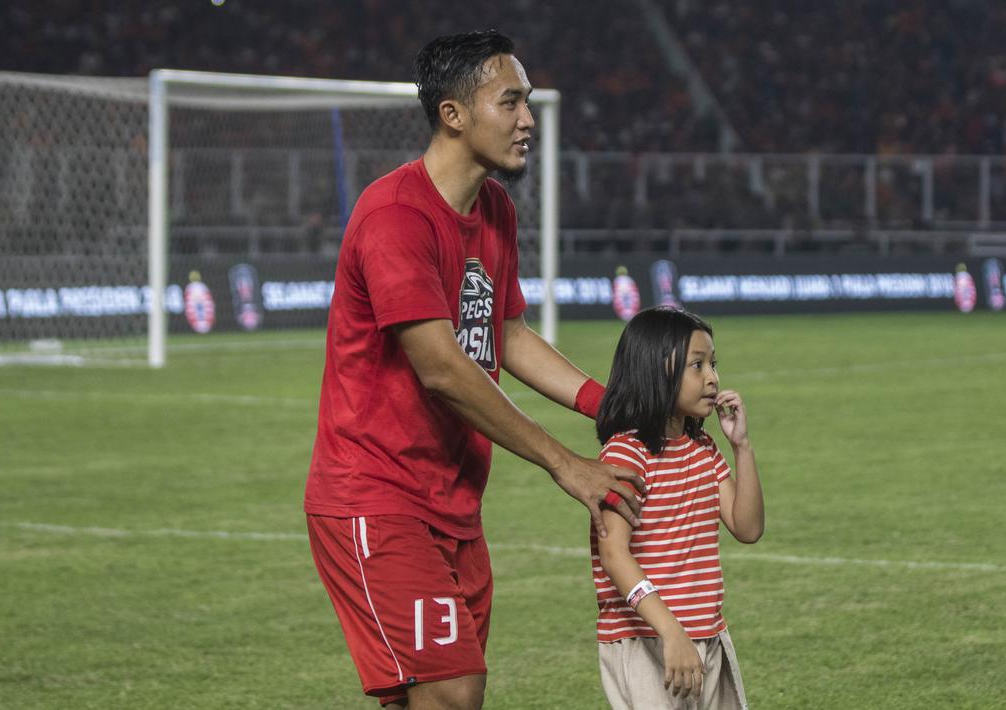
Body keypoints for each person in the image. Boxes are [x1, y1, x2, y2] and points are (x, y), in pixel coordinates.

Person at [304, 30, 644, 710]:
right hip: (376, 495)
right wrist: (563, 463)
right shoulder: (395, 215)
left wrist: (609, 407)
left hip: (453, 501)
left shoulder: (493, 208)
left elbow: (506, 335)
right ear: (453, 115)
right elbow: (442, 369)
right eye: (509, 102)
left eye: (526, 103)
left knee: (421, 699)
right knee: (455, 690)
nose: (527, 120)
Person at [591, 307, 765, 709]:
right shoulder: (625, 456)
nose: (713, 378)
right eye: (697, 365)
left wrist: (742, 445)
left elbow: (747, 526)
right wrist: (670, 631)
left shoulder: (703, 450)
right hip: (647, 638)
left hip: (706, 633)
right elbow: (614, 553)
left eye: (713, 364)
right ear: (657, 370)